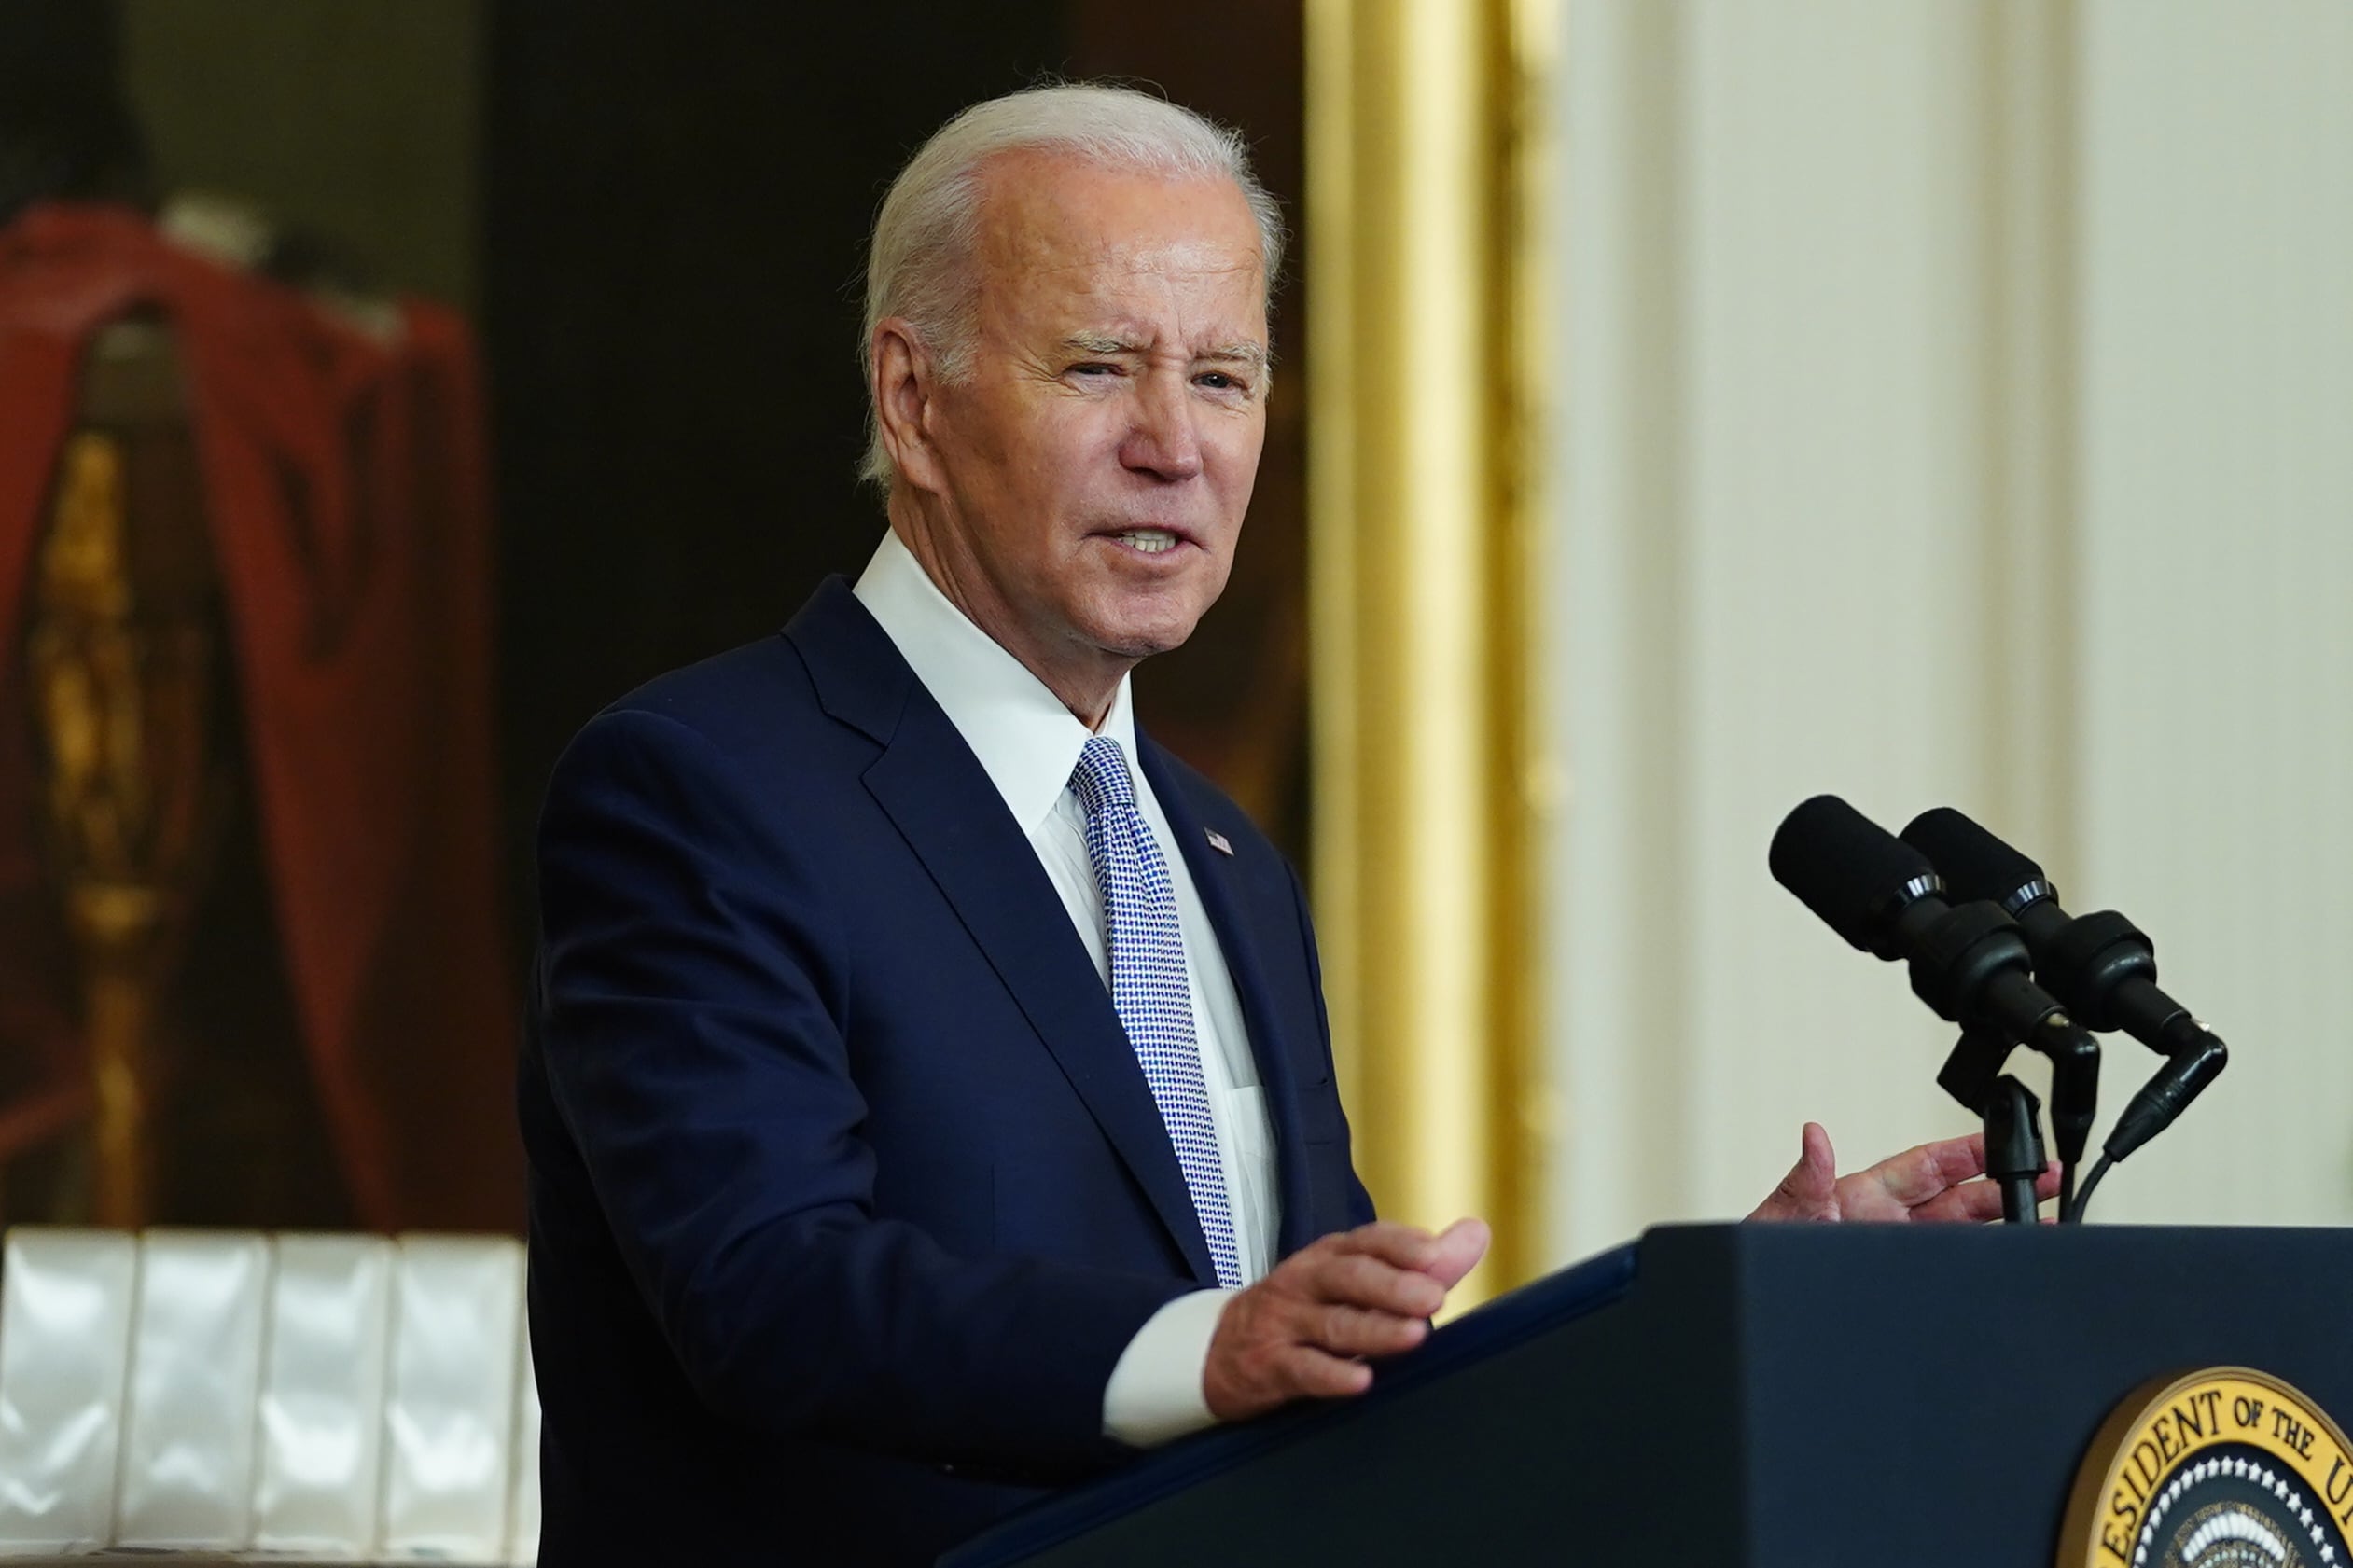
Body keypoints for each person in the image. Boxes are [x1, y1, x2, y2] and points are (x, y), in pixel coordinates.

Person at [518, 83, 2052, 1567]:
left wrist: (1720, 1310)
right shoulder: (701, 788)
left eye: (1227, 376)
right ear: (912, 400)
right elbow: (767, 1294)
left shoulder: (1220, 853)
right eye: (1100, 366)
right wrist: (1215, 1343)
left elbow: (1359, 1403)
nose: (1176, 445)